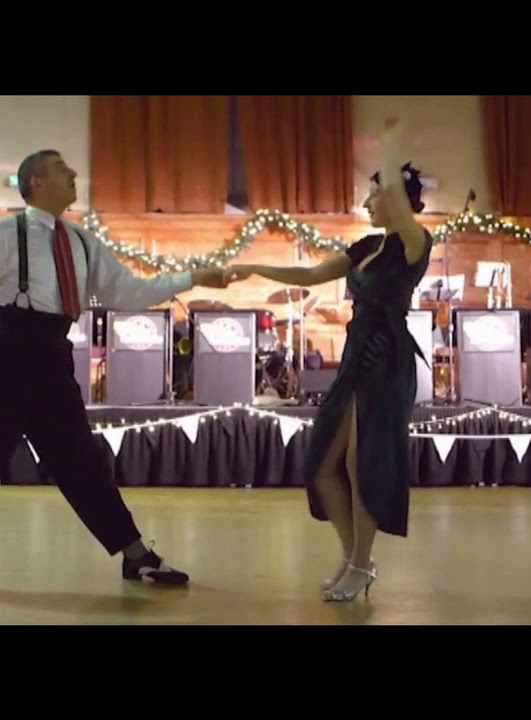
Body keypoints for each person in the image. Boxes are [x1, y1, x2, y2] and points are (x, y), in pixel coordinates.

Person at [0, 149, 238, 601]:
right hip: (4, 356)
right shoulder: (7, 234)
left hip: (53, 355)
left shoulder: (82, 241)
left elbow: (129, 291)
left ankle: (134, 553)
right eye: (60, 169)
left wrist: (192, 278)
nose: (73, 174)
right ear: (36, 183)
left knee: (81, 459)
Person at [227, 123, 433, 602]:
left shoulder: (415, 243)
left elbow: (399, 204)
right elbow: (311, 273)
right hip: (355, 358)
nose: (366, 203)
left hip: (387, 362)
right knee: (322, 465)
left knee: (365, 464)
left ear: (397, 198)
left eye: (374, 194)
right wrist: (255, 268)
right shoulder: (365, 247)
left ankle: (361, 563)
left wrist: (391, 145)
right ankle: (353, 555)